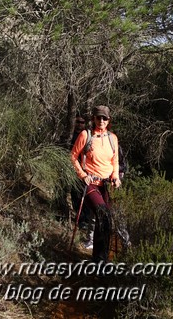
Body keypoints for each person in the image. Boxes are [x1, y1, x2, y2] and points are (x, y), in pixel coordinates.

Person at [71, 105, 121, 263]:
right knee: (103, 215)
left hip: (106, 185)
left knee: (105, 220)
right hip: (90, 183)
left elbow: (115, 161)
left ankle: (102, 259)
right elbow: (72, 157)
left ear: (108, 120)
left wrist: (116, 177)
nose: (101, 120)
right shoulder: (86, 135)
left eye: (104, 118)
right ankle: (100, 261)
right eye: (98, 117)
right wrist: (82, 174)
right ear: (93, 118)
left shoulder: (113, 138)